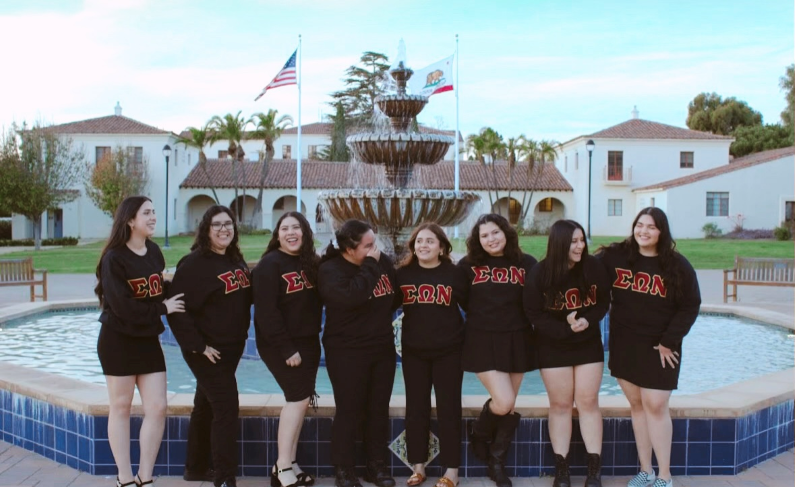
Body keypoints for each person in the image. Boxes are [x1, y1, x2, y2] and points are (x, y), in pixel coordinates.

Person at [596, 208, 701, 487]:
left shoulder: (677, 266)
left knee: (655, 405)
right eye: (639, 225)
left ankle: (665, 476)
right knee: (637, 406)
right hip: (625, 344)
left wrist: (669, 340)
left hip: (661, 347)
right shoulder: (616, 257)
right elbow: (585, 271)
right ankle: (646, 471)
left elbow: (691, 305)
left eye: (651, 227)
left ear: (661, 232)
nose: (643, 231)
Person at [94, 196, 185, 487]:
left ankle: (145, 477)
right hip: (118, 340)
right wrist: (162, 309)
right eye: (147, 212)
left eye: (154, 211)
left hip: (147, 340)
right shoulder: (114, 258)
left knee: (157, 407)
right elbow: (122, 307)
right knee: (120, 407)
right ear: (130, 220)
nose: (153, 217)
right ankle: (124, 478)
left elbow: (154, 290)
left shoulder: (154, 252)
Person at [166, 205, 252, 487]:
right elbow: (177, 310)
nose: (224, 229)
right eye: (217, 224)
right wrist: (197, 346)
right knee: (226, 407)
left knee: (204, 405)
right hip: (207, 352)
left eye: (228, 224)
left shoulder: (234, 259)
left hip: (230, 350)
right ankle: (225, 477)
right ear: (206, 229)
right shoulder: (193, 264)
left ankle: (195, 467)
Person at [524, 220, 610, 487]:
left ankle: (594, 471)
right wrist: (565, 328)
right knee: (560, 405)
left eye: (582, 240)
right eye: (574, 241)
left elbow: (604, 301)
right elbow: (534, 314)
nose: (580, 246)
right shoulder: (540, 273)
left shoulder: (593, 267)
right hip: (552, 345)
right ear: (560, 243)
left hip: (587, 344)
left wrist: (587, 321)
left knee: (588, 402)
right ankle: (562, 470)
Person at [317, 219, 399, 487]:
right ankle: (344, 470)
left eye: (374, 243)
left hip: (382, 348)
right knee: (349, 409)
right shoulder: (331, 270)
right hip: (346, 351)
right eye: (368, 245)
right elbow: (353, 296)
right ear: (349, 249)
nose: (374, 249)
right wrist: (371, 266)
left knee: (378, 409)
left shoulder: (379, 261)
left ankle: (376, 467)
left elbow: (395, 294)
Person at [458, 213, 537, 487]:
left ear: (506, 233)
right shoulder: (468, 265)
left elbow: (536, 298)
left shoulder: (526, 263)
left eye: (495, 233)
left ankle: (497, 463)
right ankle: (480, 434)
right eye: (484, 235)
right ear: (477, 240)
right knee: (502, 401)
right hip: (482, 338)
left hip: (518, 338)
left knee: (509, 404)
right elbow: (462, 300)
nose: (491, 239)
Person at [252, 211, 322, 487]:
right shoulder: (270, 265)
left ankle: (289, 463)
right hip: (281, 344)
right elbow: (266, 313)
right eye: (285, 228)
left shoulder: (310, 263)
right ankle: (282, 468)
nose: (291, 233)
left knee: (302, 400)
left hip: (308, 342)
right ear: (277, 234)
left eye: (296, 227)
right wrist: (286, 348)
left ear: (305, 232)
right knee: (296, 399)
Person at [396, 223, 467, 487]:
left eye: (429, 241)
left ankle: (451, 472)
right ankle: (418, 467)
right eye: (418, 241)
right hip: (414, 352)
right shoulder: (403, 275)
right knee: (416, 409)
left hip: (449, 351)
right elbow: (384, 305)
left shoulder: (454, 274)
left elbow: (472, 306)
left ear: (442, 247)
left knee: (449, 409)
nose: (423, 246)